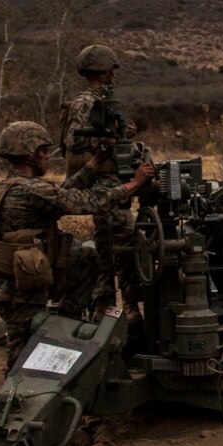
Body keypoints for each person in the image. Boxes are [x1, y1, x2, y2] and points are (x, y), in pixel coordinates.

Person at [0, 121, 155, 371]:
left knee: (85, 257)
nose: (49, 157)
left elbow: (60, 193)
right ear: (31, 154)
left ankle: (67, 323)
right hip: (20, 294)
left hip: (14, 283)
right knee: (21, 360)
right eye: (45, 152)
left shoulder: (14, 186)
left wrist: (94, 163)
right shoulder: (31, 191)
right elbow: (87, 201)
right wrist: (133, 185)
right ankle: (16, 400)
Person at [59, 44, 140, 321]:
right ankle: (116, 309)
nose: (112, 75)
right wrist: (106, 143)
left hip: (107, 181)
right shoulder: (86, 103)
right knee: (118, 247)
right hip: (103, 184)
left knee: (112, 244)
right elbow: (75, 142)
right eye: (110, 71)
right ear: (104, 70)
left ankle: (110, 308)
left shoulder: (97, 99)